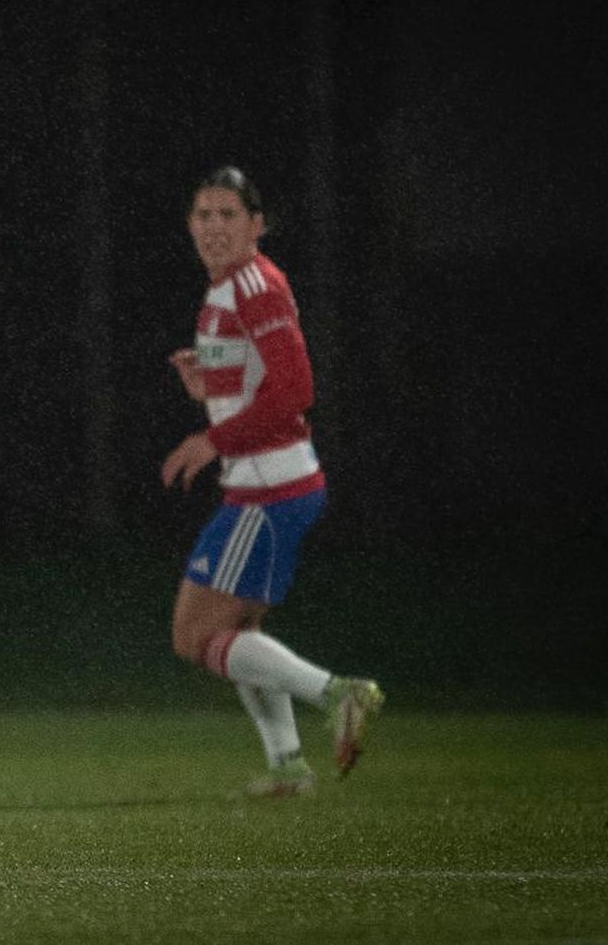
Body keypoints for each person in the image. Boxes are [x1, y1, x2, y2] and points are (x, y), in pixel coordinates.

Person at [160, 166, 382, 797]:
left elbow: (296, 390)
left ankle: (338, 693)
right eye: (203, 215)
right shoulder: (225, 293)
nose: (214, 227)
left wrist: (212, 439)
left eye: (228, 215)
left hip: (269, 490)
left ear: (257, 225)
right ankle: (288, 764)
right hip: (265, 486)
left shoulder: (256, 285)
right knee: (237, 635)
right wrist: (209, 390)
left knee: (193, 635)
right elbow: (259, 387)